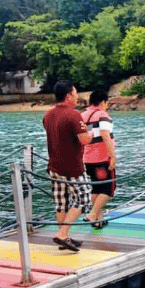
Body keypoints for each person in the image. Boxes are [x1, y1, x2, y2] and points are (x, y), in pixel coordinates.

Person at [42, 80, 93, 252]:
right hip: (72, 167)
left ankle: (64, 237)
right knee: (84, 198)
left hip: (54, 166)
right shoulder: (74, 115)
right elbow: (84, 139)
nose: (78, 96)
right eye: (76, 93)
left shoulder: (48, 115)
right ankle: (62, 234)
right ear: (69, 95)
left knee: (61, 203)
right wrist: (92, 133)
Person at [81, 89, 117, 229]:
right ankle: (92, 214)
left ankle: (98, 220)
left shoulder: (82, 115)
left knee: (96, 189)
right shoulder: (102, 115)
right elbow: (105, 134)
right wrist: (112, 156)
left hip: (87, 158)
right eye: (106, 103)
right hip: (102, 158)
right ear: (103, 102)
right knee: (108, 190)